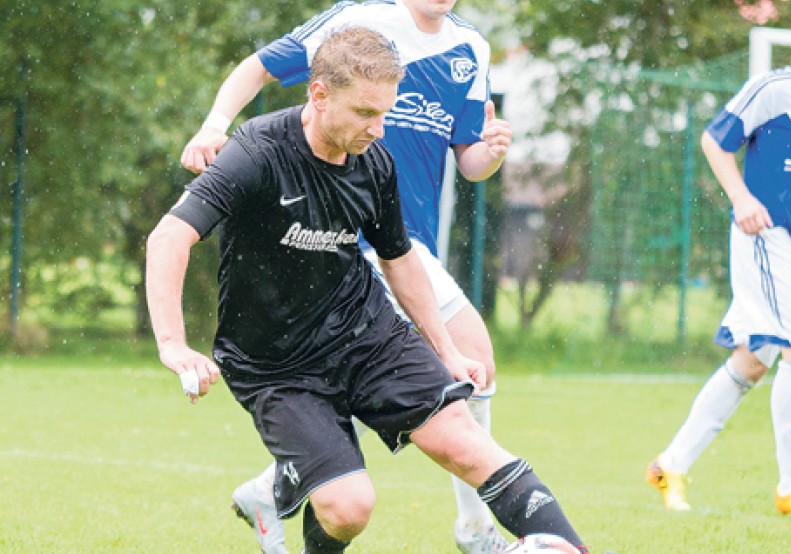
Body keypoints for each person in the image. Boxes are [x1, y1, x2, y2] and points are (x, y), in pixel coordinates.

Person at [148, 27, 586, 554]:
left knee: (467, 443)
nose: (378, 130)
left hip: (367, 335)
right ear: (319, 94)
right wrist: (173, 344)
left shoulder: (374, 162)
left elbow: (399, 260)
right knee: (350, 508)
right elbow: (170, 236)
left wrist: (446, 351)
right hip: (276, 364)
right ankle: (282, 494)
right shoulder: (257, 152)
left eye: (385, 113)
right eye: (364, 113)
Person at [646, 0, 791, 521]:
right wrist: (741, 199)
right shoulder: (774, 89)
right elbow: (714, 140)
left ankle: (670, 464)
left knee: (754, 361)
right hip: (764, 236)